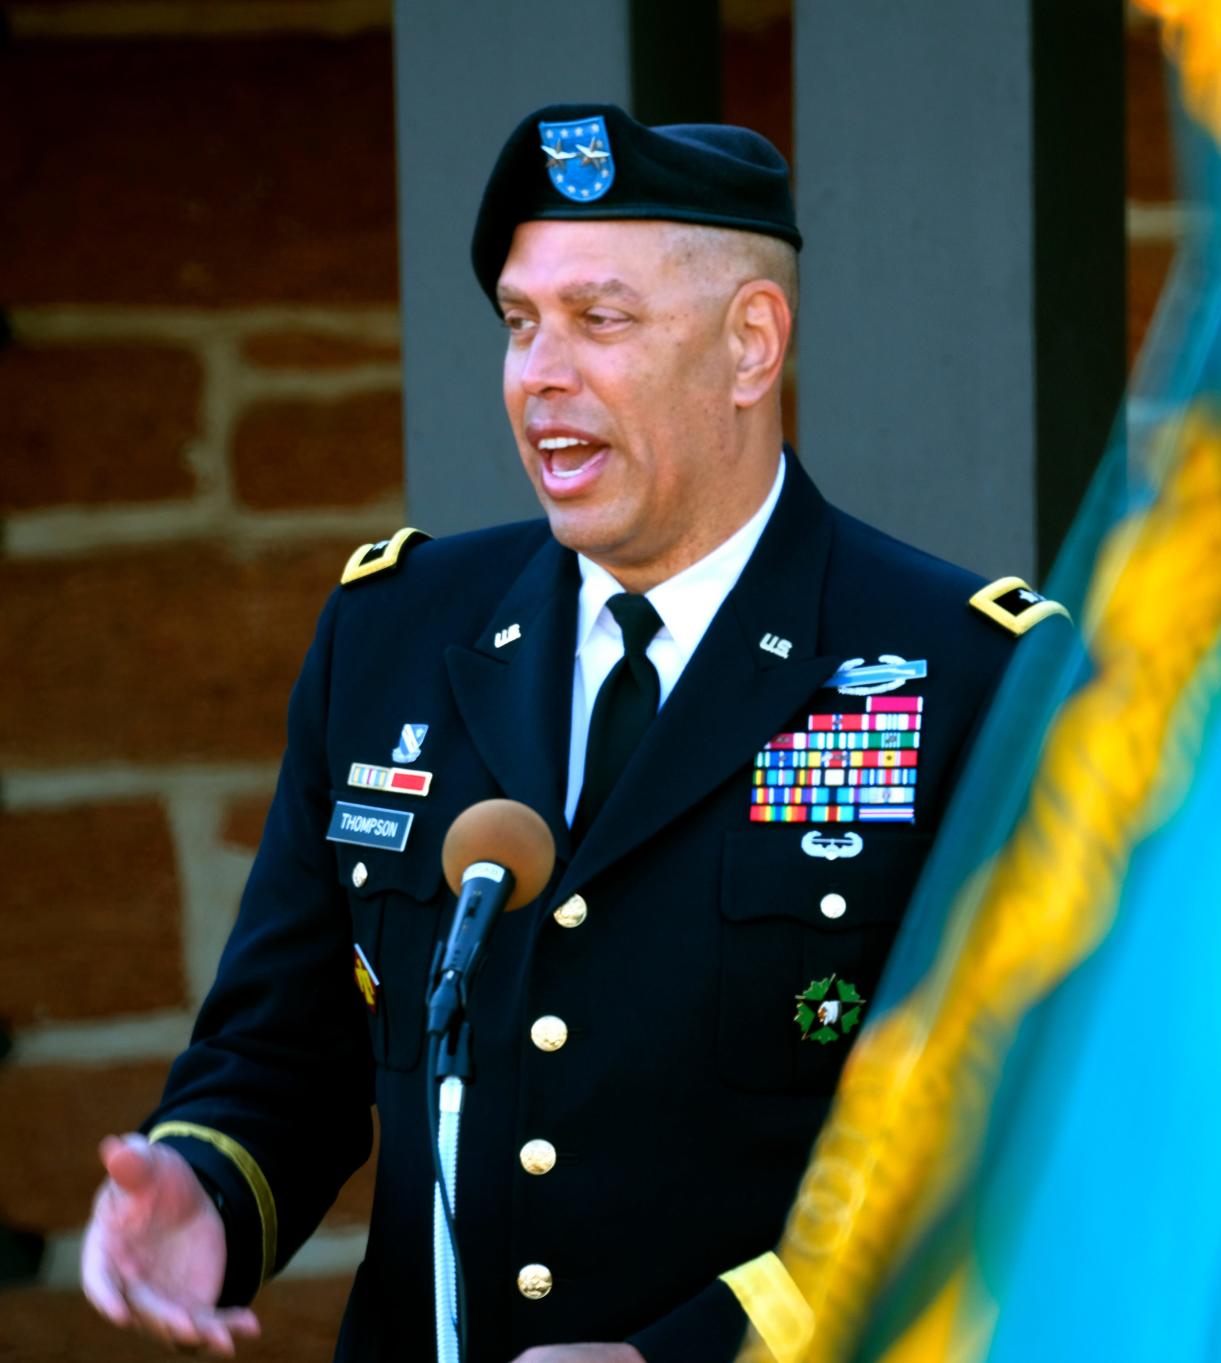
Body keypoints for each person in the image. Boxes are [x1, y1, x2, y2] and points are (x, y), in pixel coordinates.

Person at [81, 103, 1066, 1363]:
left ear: (751, 345)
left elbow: (998, 1131)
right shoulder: (392, 633)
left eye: (599, 322)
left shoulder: (970, 672)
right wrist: (204, 1194)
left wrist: (699, 1353)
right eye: (518, 322)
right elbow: (285, 1044)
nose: (541, 373)